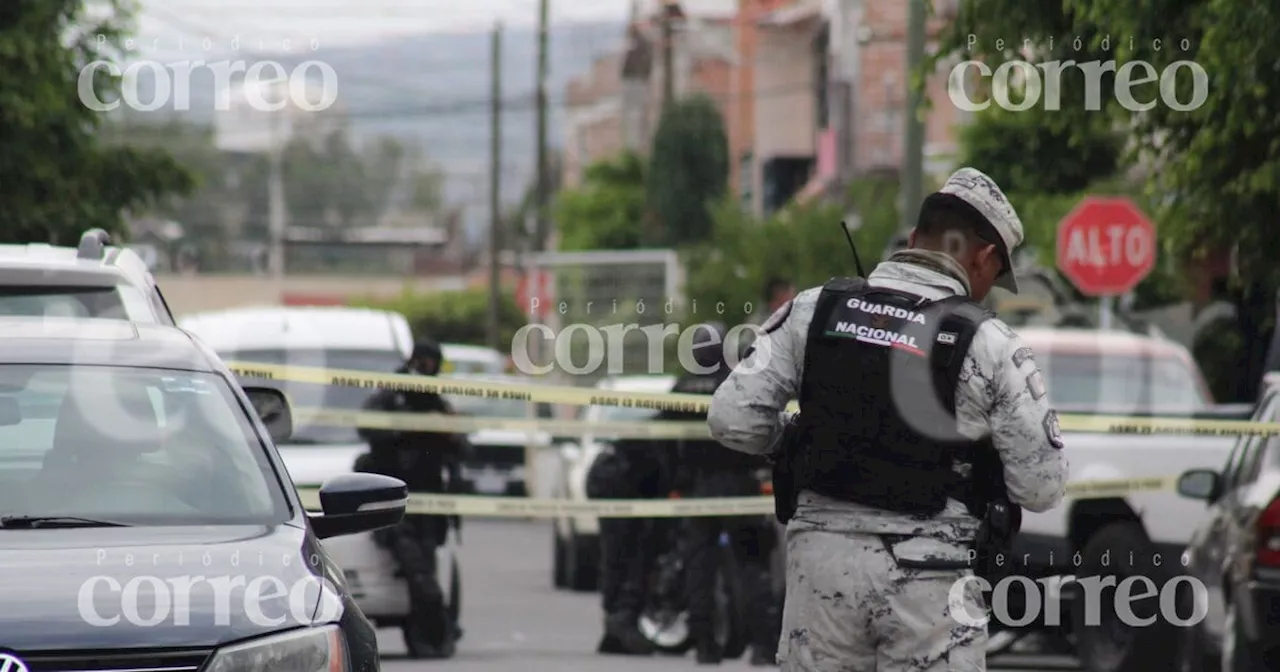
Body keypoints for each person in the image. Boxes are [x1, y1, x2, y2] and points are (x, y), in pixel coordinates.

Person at [707, 167, 1070, 671]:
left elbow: (731, 419)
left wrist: (794, 441)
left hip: (822, 570)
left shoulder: (813, 311)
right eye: (994, 275)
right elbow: (1041, 486)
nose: (988, 290)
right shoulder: (992, 345)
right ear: (984, 257)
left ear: (917, 237)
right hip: (932, 584)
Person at [667, 322, 780, 666]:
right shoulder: (735, 380)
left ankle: (704, 644)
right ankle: (762, 645)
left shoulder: (683, 386)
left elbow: (663, 435)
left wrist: (678, 480)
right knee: (750, 564)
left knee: (699, 567)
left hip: (700, 488)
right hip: (737, 483)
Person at [354, 337, 468, 658]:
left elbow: (460, 447)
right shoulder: (392, 395)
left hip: (429, 502)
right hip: (392, 499)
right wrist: (401, 430)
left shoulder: (436, 402)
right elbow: (367, 427)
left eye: (433, 364)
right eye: (424, 362)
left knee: (425, 569)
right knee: (416, 569)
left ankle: (430, 634)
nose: (427, 369)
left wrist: (446, 430)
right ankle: (438, 626)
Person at [587, 403, 677, 655]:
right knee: (633, 554)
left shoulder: (669, 420)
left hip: (612, 481)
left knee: (617, 556)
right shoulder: (670, 432)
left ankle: (614, 628)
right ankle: (621, 622)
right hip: (620, 485)